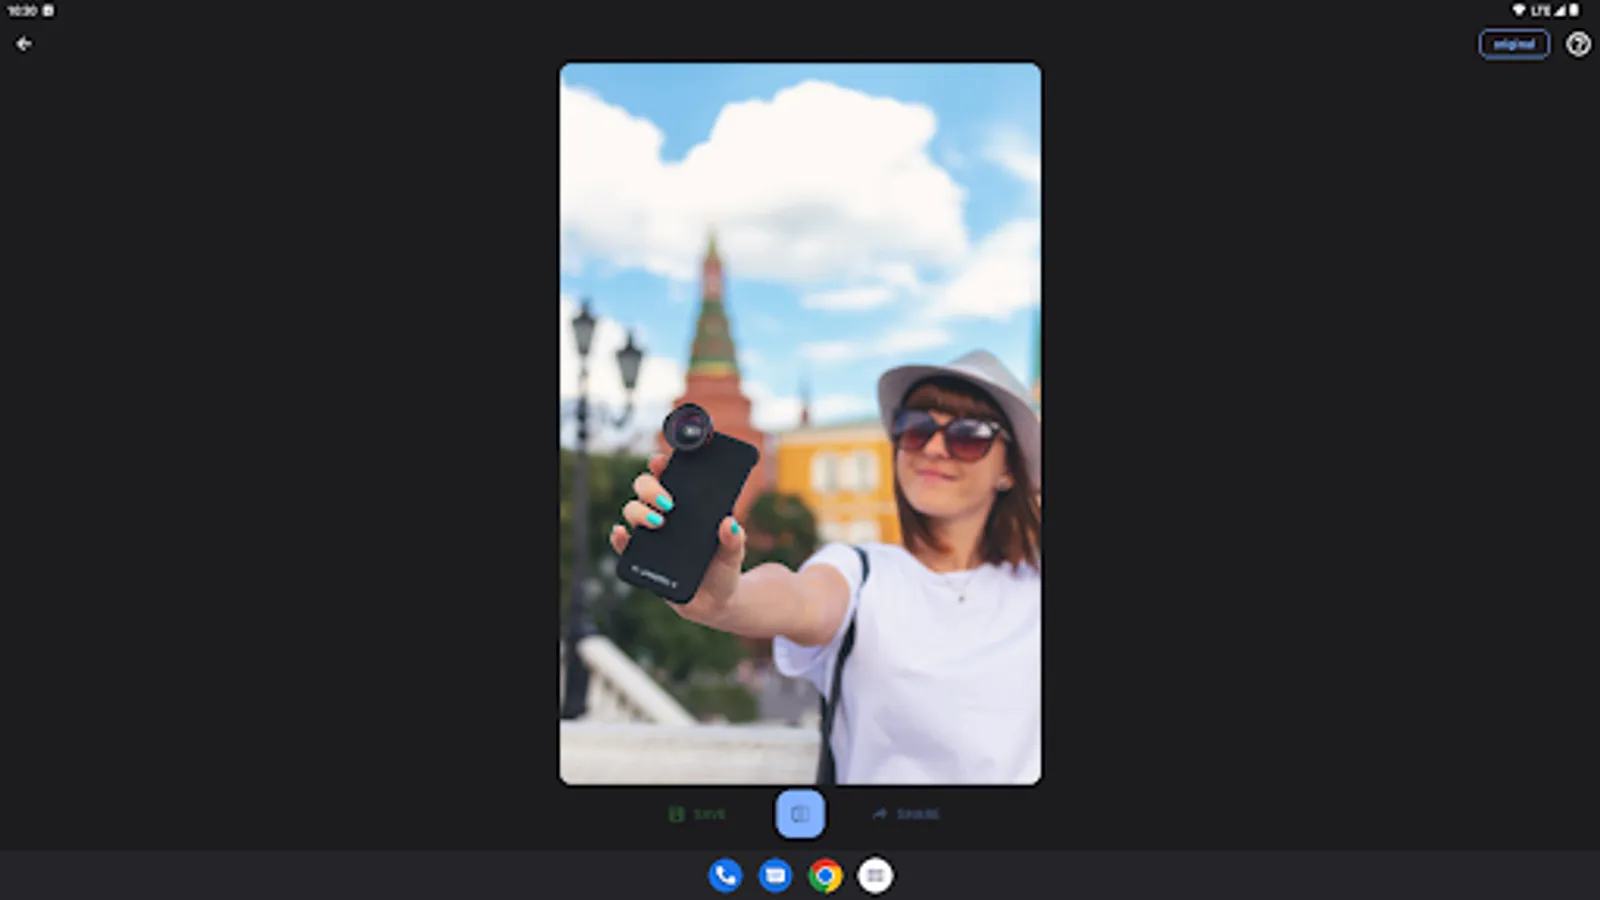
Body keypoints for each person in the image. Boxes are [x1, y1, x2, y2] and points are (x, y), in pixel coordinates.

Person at [609, 350, 1042, 784]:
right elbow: (799, 598)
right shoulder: (861, 572)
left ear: (1010, 468)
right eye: (916, 428)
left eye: (968, 435)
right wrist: (729, 598)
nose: (933, 448)